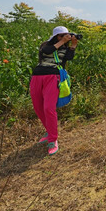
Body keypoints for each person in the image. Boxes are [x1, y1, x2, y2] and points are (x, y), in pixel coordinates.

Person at [30, 26, 79, 155]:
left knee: (48, 108)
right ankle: (49, 131)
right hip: (37, 77)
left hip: (53, 78)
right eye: (62, 35)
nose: (64, 37)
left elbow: (68, 58)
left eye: (66, 35)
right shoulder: (45, 45)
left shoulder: (64, 48)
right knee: (38, 107)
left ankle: (53, 139)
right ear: (56, 36)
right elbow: (47, 51)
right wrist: (62, 41)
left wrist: (73, 45)